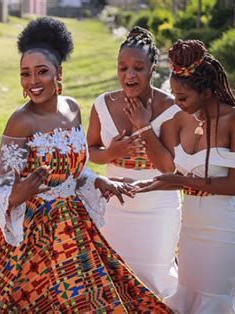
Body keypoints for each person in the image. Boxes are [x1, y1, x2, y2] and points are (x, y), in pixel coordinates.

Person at [0, 17, 171, 313]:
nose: (33, 81)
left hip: (71, 225)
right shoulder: (21, 120)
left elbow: (74, 171)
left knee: (89, 298)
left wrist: (99, 181)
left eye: (41, 72)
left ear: (58, 73)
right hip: (27, 230)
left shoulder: (73, 109)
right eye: (25, 74)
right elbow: (1, 188)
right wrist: (19, 193)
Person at [134, 39, 235, 313]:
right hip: (191, 229)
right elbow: (170, 171)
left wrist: (179, 181)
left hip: (226, 229)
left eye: (183, 97)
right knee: (187, 299)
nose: (177, 103)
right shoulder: (179, 118)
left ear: (208, 92)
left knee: (215, 304)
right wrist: (146, 185)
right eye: (174, 95)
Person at [87, 26, 181, 298]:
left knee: (155, 282)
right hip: (113, 207)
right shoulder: (102, 104)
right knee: (114, 282)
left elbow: (167, 167)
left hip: (158, 209)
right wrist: (110, 154)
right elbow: (91, 151)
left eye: (138, 68)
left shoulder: (170, 108)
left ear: (153, 68)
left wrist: (143, 126)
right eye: (122, 68)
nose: (129, 75)